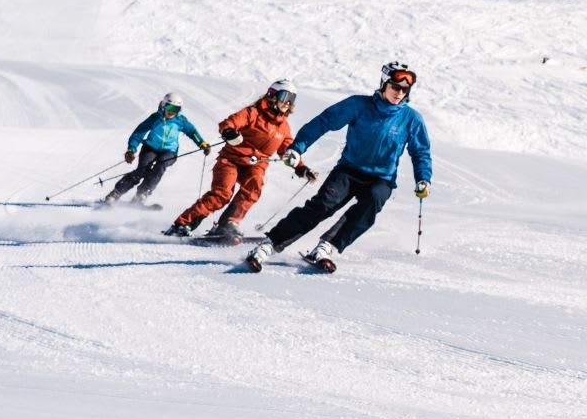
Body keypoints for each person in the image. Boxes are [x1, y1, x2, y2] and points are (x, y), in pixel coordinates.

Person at [247, 62, 431, 272]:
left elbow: (421, 151)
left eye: (404, 89)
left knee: (371, 204)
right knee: (322, 205)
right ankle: (267, 246)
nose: (399, 93)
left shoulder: (411, 119)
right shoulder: (358, 105)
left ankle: (326, 248)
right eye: (395, 87)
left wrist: (423, 178)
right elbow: (324, 122)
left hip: (382, 179)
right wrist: (298, 148)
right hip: (349, 170)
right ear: (383, 84)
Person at [165, 81, 305, 242]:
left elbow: (288, 151)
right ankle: (182, 224)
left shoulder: (284, 127)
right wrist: (229, 131)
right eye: (285, 97)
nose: (287, 103)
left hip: (256, 164)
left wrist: (300, 167)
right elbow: (229, 123)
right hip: (231, 160)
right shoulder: (253, 113)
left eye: (292, 99)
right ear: (272, 95)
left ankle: (227, 224)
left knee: (255, 186)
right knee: (222, 194)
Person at [103, 92, 211, 207]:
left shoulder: (181, 121)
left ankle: (142, 194)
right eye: (169, 107)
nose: (171, 111)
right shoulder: (155, 118)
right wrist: (131, 149)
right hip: (150, 148)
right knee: (142, 170)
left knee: (160, 167)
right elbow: (139, 133)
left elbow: (192, 132)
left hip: (170, 151)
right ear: (163, 105)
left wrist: (202, 144)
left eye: (176, 109)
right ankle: (116, 193)